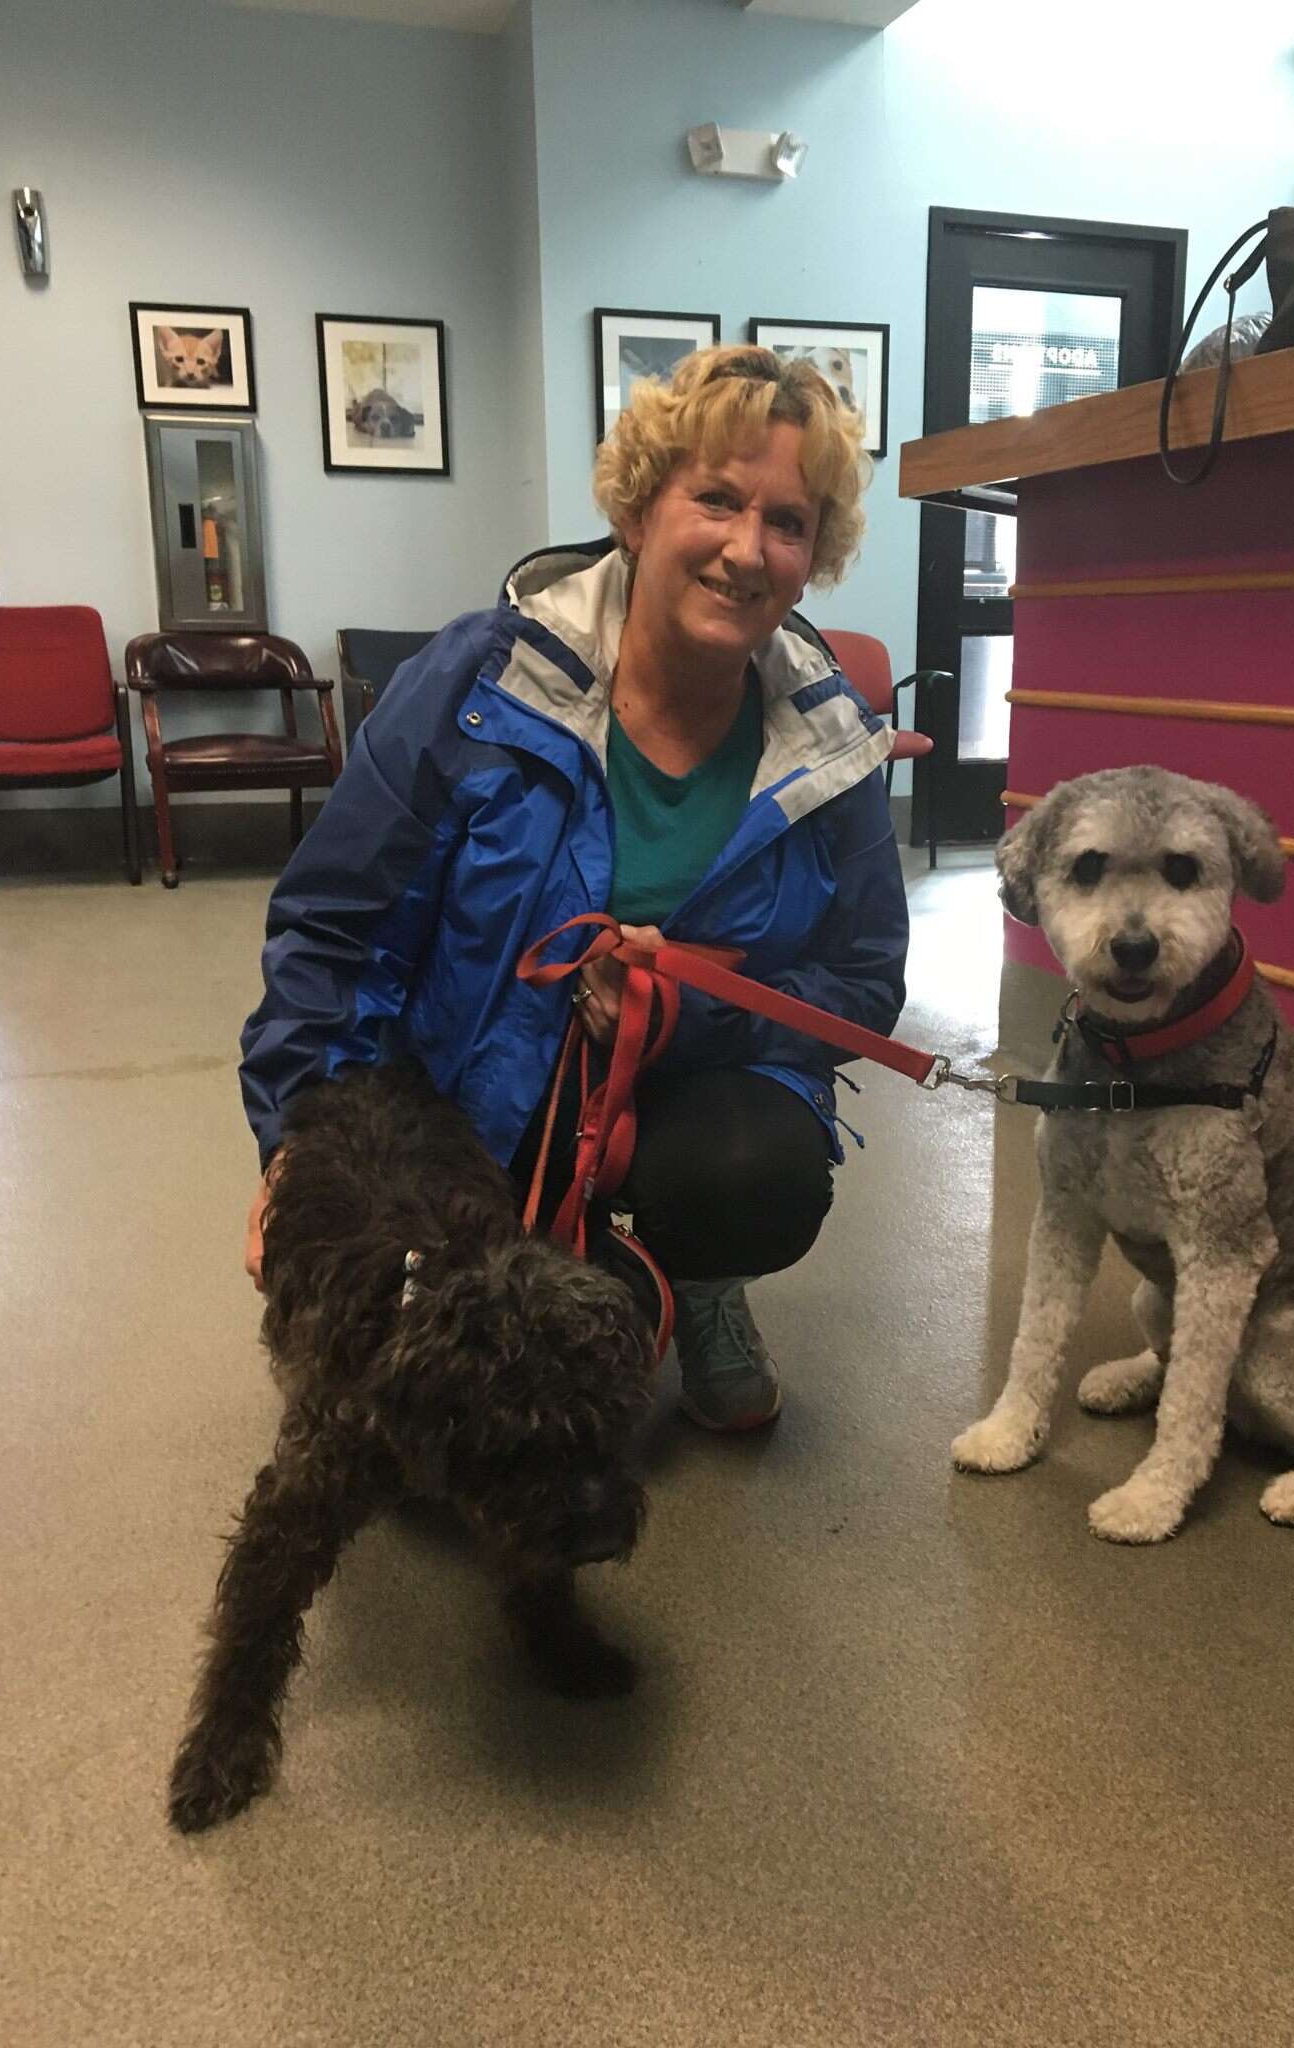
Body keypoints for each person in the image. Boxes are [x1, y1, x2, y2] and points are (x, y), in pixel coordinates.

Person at [239, 344, 909, 1431]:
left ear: (813, 553)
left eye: (787, 522)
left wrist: (685, 1007)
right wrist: (300, 1142)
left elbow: (865, 983)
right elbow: (332, 928)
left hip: (691, 1085)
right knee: (430, 1419)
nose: (748, 549)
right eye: (719, 500)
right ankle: (575, 1253)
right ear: (642, 509)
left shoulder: (830, 742)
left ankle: (696, 1275)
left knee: (758, 1173)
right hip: (466, 1079)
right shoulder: (478, 678)